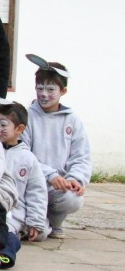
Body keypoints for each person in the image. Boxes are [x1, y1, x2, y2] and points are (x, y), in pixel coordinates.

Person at [23, 60, 90, 239]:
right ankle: (41, 222)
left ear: (63, 91)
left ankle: (54, 222)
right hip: (31, 185)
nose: (44, 94)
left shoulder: (72, 120)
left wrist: (75, 179)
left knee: (73, 198)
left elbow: (81, 156)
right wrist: (49, 175)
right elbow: (23, 154)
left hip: (58, 186)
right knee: (38, 235)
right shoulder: (26, 116)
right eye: (40, 88)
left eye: (51, 89)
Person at [0, 103, 49, 241]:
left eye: (3, 125)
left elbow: (37, 192)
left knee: (3, 233)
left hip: (15, 213)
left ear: (19, 128)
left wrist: (35, 221)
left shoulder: (27, 158)